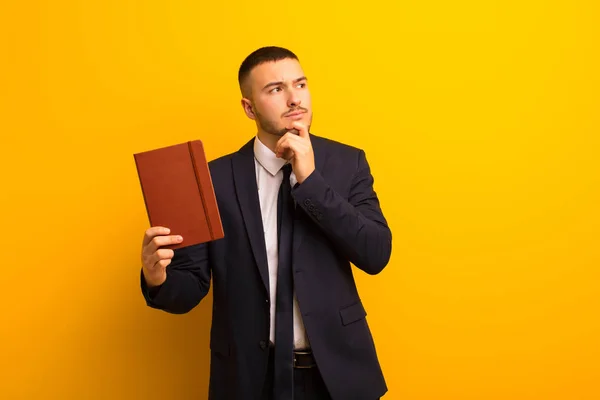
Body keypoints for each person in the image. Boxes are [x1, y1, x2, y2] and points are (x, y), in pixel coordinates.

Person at [140, 46, 392, 400]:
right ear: (249, 107)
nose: (294, 99)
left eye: (300, 85)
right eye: (276, 89)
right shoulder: (211, 180)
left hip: (338, 378)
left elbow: (376, 253)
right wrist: (157, 277)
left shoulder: (347, 163)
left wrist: (311, 182)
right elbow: (188, 290)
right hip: (249, 380)